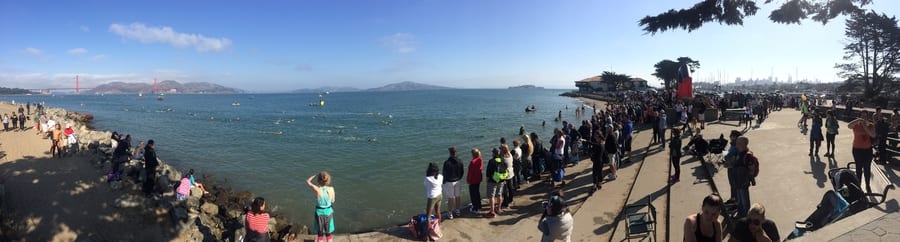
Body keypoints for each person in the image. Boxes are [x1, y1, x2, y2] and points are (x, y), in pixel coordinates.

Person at [849, 111, 875, 193]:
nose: (864, 118)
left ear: (868, 117)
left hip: (867, 150)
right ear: (859, 117)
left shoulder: (871, 125)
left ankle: (867, 185)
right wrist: (858, 121)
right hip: (857, 149)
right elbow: (849, 125)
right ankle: (858, 185)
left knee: (867, 168)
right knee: (858, 168)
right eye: (862, 116)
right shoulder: (856, 125)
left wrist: (865, 126)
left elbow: (873, 135)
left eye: (865, 116)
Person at [731, 136, 756, 218]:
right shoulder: (739, 153)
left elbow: (751, 168)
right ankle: (740, 213)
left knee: (744, 199)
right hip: (737, 180)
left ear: (742, 144)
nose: (736, 145)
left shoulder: (747, 155)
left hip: (743, 181)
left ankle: (746, 216)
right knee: (739, 199)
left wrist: (749, 179)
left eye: (738, 143)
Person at [307, 171, 335, 242]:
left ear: (318, 180)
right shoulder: (331, 189)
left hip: (319, 213)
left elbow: (308, 181)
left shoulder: (317, 189)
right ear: (328, 180)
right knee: (328, 233)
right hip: (328, 212)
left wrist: (315, 175)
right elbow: (333, 201)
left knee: (320, 233)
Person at [442, 147, 464, 219]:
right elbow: (462, 172)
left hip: (449, 181)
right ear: (456, 152)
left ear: (450, 153)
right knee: (458, 196)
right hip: (458, 180)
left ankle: (450, 213)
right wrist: (459, 178)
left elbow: (444, 173)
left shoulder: (447, 163)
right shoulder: (460, 161)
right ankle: (458, 210)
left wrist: (444, 181)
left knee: (450, 198)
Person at [423, 162, 443, 240]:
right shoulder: (441, 176)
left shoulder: (427, 178)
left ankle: (428, 236)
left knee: (427, 217)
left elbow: (425, 185)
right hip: (439, 195)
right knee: (438, 212)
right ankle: (438, 228)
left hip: (432, 198)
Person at [484, 148, 504, 217]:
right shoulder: (502, 160)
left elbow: (488, 172)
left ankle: (492, 212)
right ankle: (499, 209)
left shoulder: (491, 161)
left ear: (493, 154)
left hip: (493, 181)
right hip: (501, 179)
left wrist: (487, 180)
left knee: (491, 196)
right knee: (499, 194)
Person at [467, 148, 483, 214]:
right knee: (477, 192)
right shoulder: (480, 159)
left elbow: (470, 172)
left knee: (473, 194)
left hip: (473, 180)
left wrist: (468, 180)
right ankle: (479, 205)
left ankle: (475, 208)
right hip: (478, 178)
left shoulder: (472, 162)